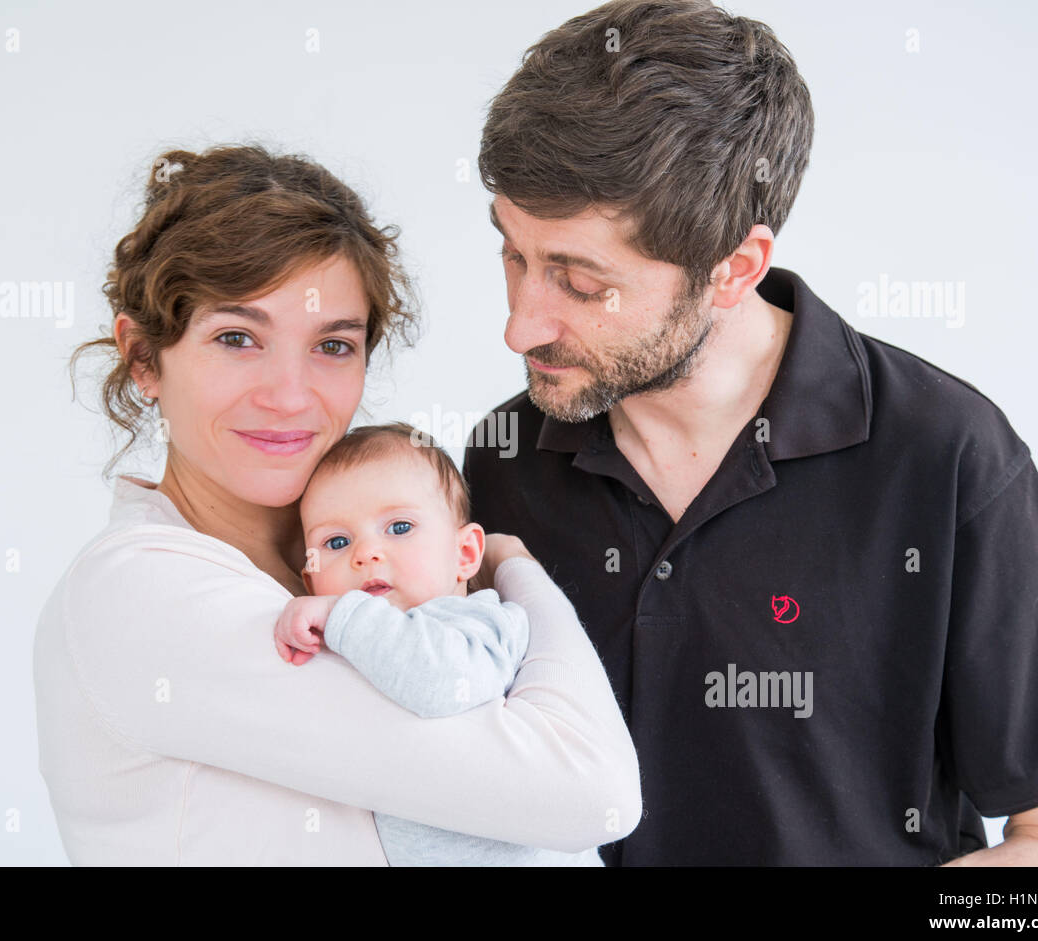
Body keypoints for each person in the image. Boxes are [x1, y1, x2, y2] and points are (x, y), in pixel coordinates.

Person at [463, 0, 1038, 865]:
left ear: (735, 269)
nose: (520, 325)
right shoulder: (501, 459)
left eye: (580, 283)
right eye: (513, 254)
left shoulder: (948, 454)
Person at [33, 144, 642, 865]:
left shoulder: (357, 569)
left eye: (333, 344)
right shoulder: (140, 592)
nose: (290, 395)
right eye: (237, 338)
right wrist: (516, 570)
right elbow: (592, 791)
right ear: (143, 358)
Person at [274, 422, 605, 865]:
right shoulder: (358, 642)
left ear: (465, 554)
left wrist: (341, 615)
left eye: (399, 527)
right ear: (311, 579)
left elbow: (441, 683)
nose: (366, 552)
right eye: (337, 541)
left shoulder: (476, 622)